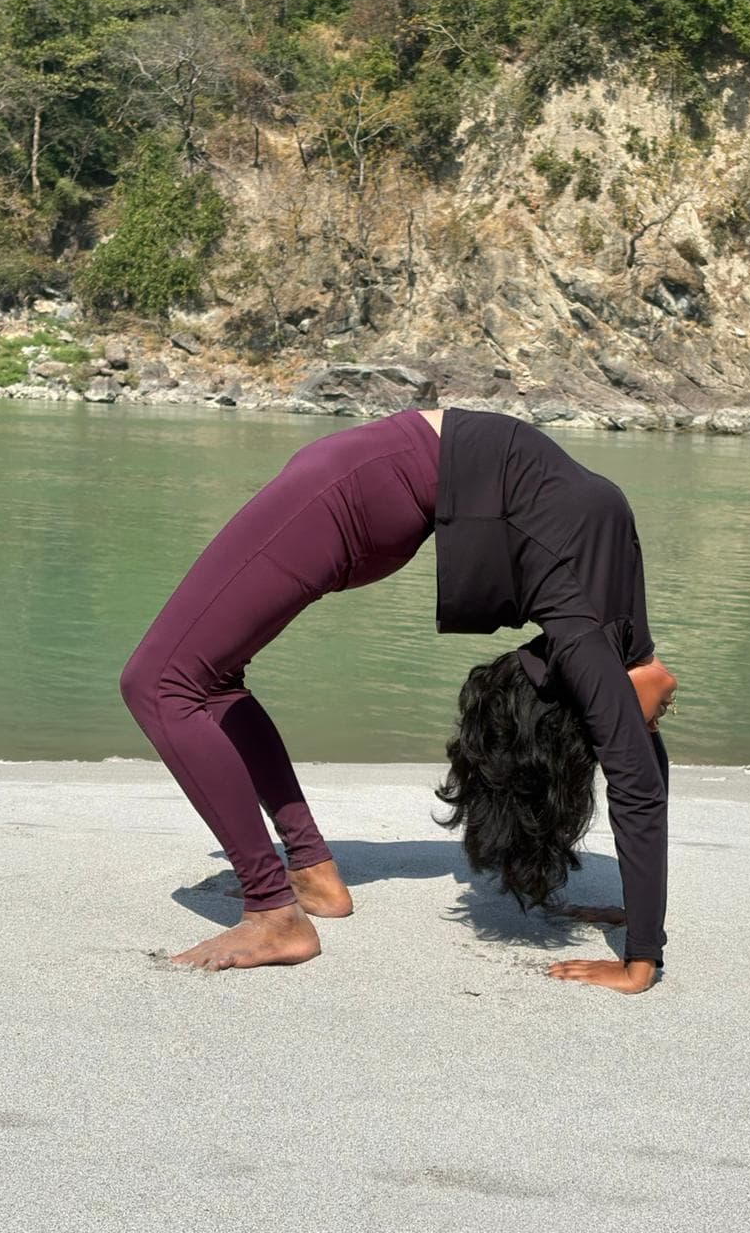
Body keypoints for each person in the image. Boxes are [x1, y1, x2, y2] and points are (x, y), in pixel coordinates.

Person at [119, 406, 677, 993]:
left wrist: (641, 959)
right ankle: (311, 873)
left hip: (355, 487)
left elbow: (635, 776)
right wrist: (641, 928)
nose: (657, 718)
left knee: (158, 683)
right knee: (210, 677)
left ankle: (273, 914)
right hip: (380, 489)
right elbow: (640, 769)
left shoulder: (587, 632)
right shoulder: (619, 624)